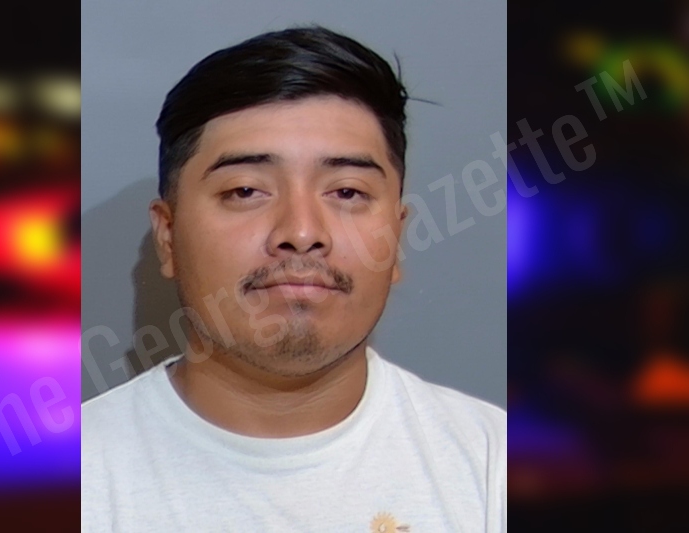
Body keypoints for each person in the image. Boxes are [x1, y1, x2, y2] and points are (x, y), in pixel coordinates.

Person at [82, 26, 505, 532]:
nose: (302, 233)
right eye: (245, 191)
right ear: (168, 236)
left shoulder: (494, 468)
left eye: (347, 192)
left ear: (396, 238)